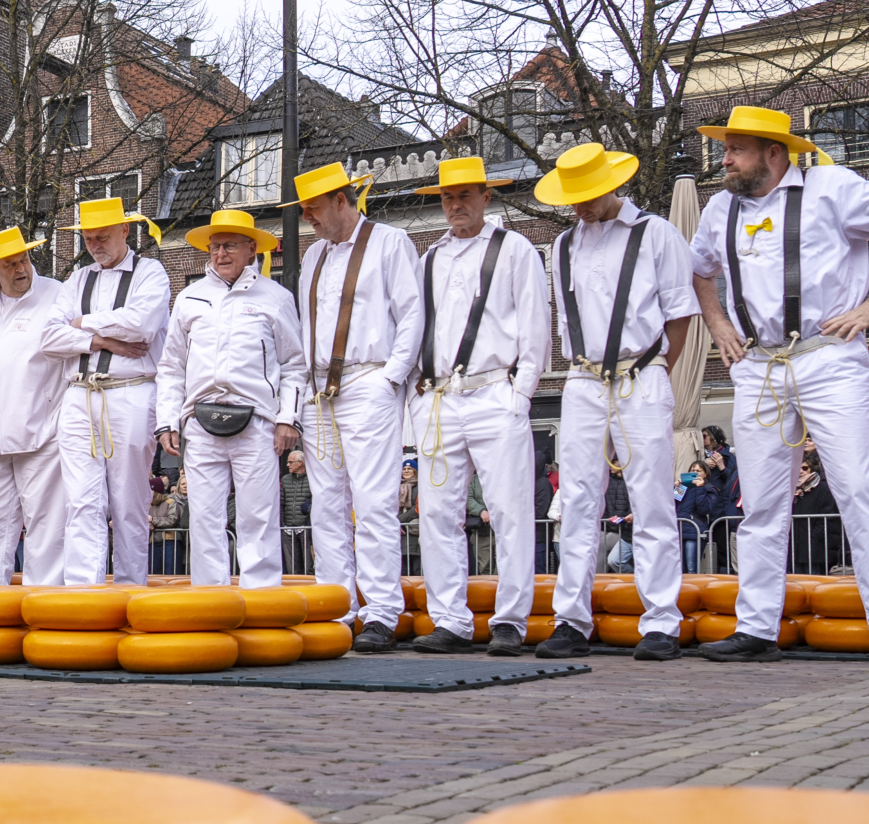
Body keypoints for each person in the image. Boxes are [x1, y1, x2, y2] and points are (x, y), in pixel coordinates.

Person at [690, 105, 869, 665]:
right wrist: (719, 324)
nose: (723, 159)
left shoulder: (830, 186)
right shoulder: (720, 207)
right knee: (762, 503)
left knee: (856, 489)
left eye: (735, 149)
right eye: (724, 148)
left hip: (827, 356)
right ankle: (755, 628)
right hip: (759, 366)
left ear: (773, 153)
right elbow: (699, 269)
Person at [537, 143, 698, 661]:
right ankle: (571, 618)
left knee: (651, 497)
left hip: (641, 370)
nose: (579, 207)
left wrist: (656, 368)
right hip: (582, 378)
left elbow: (680, 313)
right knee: (579, 499)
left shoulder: (656, 233)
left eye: (587, 197)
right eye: (572, 199)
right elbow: (567, 318)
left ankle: (661, 621)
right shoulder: (561, 246)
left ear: (612, 185)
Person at [405, 157, 551, 656]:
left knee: (509, 510)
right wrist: (418, 391)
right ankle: (451, 619)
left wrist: (521, 394)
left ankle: (511, 619)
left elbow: (535, 323)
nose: (455, 204)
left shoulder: (515, 249)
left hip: (494, 390)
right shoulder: (429, 260)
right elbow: (418, 329)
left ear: (486, 197)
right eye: (447, 196)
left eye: (465, 195)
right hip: (440, 396)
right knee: (439, 514)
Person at [287, 164, 422, 642]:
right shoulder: (314, 257)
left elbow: (411, 315)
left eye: (314, 208)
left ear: (342, 201)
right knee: (325, 504)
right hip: (321, 391)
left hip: (367, 379)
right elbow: (307, 327)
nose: (308, 217)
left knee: (373, 500)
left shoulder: (389, 243)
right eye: (304, 209)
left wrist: (391, 380)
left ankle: (382, 608)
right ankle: (337, 604)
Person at [155, 209, 305, 592]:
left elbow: (294, 364)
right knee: (204, 516)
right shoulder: (189, 298)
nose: (220, 253)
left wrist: (288, 418)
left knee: (258, 515)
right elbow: (171, 366)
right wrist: (168, 421)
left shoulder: (276, 297)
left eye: (230, 245)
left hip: (257, 421)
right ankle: (210, 598)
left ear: (251, 249)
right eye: (215, 246)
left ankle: (262, 598)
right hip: (200, 422)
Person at [55, 197, 172, 586]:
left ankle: (129, 589)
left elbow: (142, 324)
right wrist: (103, 342)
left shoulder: (150, 272)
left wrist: (82, 323)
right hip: (79, 392)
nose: (95, 246)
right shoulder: (77, 278)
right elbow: (47, 335)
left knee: (129, 501)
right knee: (81, 501)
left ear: (125, 231)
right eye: (88, 239)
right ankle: (83, 593)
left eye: (102, 237)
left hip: (131, 390)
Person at [0, 226, 77, 585]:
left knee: (47, 526)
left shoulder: (57, 295)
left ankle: (44, 608)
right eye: (10, 264)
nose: (21, 269)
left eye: (24, 260)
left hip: (42, 432)